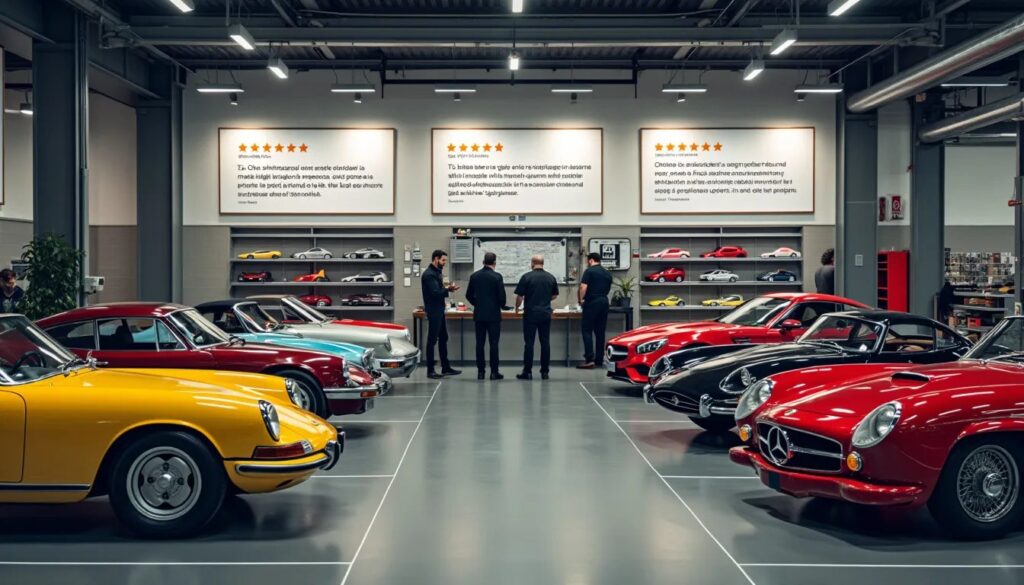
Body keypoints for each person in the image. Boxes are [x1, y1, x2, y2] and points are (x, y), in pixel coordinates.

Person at [514, 254, 559, 380]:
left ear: (533, 263)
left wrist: (517, 308)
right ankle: (545, 372)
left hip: (530, 314)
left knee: (529, 344)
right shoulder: (550, 277)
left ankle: (527, 372)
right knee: (545, 343)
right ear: (543, 263)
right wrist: (545, 298)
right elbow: (555, 295)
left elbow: (520, 296)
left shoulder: (526, 277)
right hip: (545, 313)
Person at [466, 252, 506, 380]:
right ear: (494, 263)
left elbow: (468, 295)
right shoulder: (497, 277)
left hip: (479, 314)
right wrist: (500, 305)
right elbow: (502, 298)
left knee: (480, 343)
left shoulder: (474, 276)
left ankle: (481, 372)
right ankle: (494, 372)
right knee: (494, 343)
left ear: (483, 262)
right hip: (493, 315)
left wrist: (477, 303)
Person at [421, 250, 461, 379]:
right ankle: (430, 370)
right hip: (433, 310)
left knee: (443, 338)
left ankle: (445, 367)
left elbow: (439, 290)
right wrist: (448, 289)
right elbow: (435, 292)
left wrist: (447, 289)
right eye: (443, 260)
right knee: (432, 340)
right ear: (436, 259)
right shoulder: (429, 274)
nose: (444, 263)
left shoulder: (436, 273)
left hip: (439, 309)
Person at [577, 252, 612, 369]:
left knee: (587, 330)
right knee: (600, 332)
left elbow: (583, 287)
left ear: (591, 260)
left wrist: (581, 299)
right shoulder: (607, 273)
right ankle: (599, 359)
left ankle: (589, 359)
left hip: (592, 302)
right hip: (604, 302)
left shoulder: (589, 271)